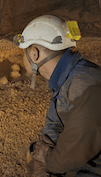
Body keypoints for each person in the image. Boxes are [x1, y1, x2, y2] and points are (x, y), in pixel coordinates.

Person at [13, 15, 101, 176]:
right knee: (34, 151)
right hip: (81, 157)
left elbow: (75, 152)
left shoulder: (85, 86)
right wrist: (41, 161)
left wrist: (46, 159)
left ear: (34, 53)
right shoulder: (66, 77)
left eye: (23, 52)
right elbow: (54, 124)